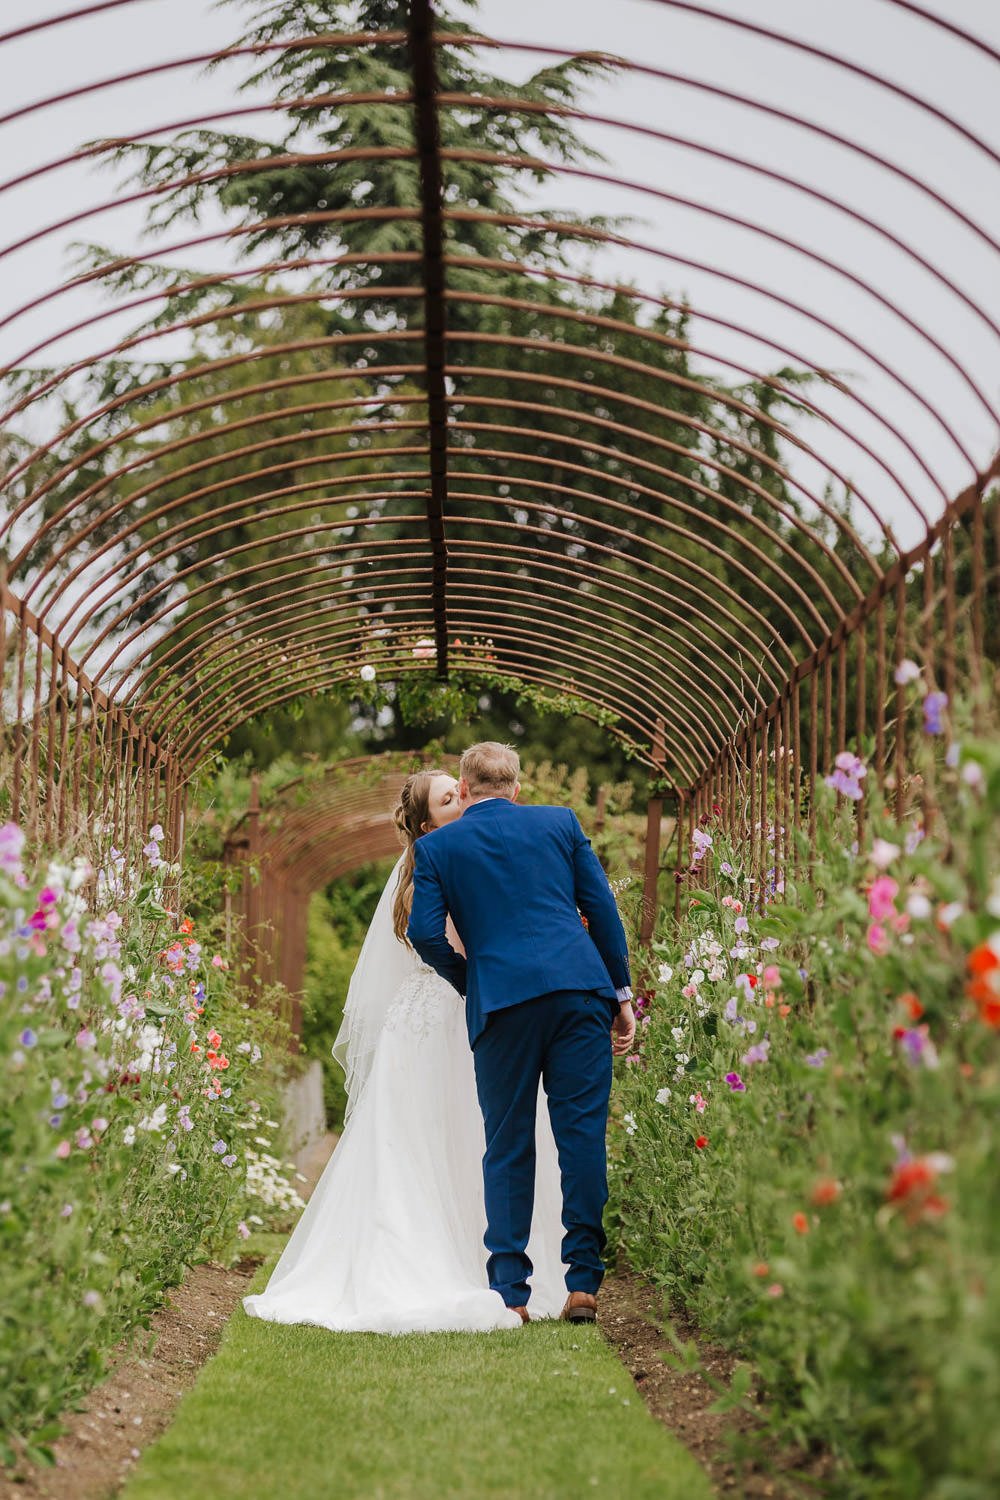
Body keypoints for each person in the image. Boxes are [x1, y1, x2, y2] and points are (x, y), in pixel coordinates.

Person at [242, 767, 568, 1334]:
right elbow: (462, 943)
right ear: (425, 822)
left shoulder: (448, 857)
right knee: (438, 1141)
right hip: (443, 1014)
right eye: (448, 798)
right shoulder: (439, 868)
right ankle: (443, 1262)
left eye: (460, 791)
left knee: (471, 1139)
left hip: (435, 1013)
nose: (462, 800)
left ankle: (494, 1259)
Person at [408, 742, 635, 1325]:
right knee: (581, 1135)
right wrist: (621, 994)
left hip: (502, 1004)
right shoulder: (559, 823)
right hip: (579, 991)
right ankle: (583, 1283)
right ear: (517, 784)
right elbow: (602, 909)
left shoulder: (437, 847)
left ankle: (512, 1292)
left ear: (464, 786)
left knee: (507, 1143)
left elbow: (425, 933)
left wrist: (473, 978)